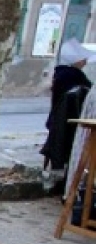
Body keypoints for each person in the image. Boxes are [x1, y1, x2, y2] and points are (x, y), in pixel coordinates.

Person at [40, 39, 95, 194]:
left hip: (59, 121)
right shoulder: (74, 77)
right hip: (68, 122)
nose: (85, 62)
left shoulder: (61, 74)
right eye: (83, 59)